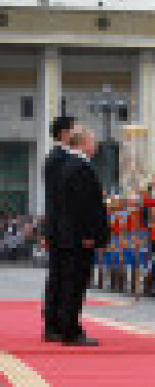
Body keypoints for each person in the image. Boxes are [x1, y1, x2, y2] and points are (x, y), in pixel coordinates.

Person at [55, 127, 109, 346]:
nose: (95, 145)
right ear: (82, 143)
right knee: (75, 283)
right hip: (79, 238)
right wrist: (88, 234)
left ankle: (70, 327)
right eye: (92, 141)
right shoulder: (79, 167)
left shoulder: (73, 166)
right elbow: (81, 206)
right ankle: (71, 331)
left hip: (73, 236)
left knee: (74, 282)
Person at [42, 115, 75, 342]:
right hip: (62, 228)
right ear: (63, 133)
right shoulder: (58, 159)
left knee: (59, 275)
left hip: (60, 226)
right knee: (59, 276)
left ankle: (54, 321)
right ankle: (53, 323)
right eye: (73, 130)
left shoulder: (58, 157)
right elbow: (57, 200)